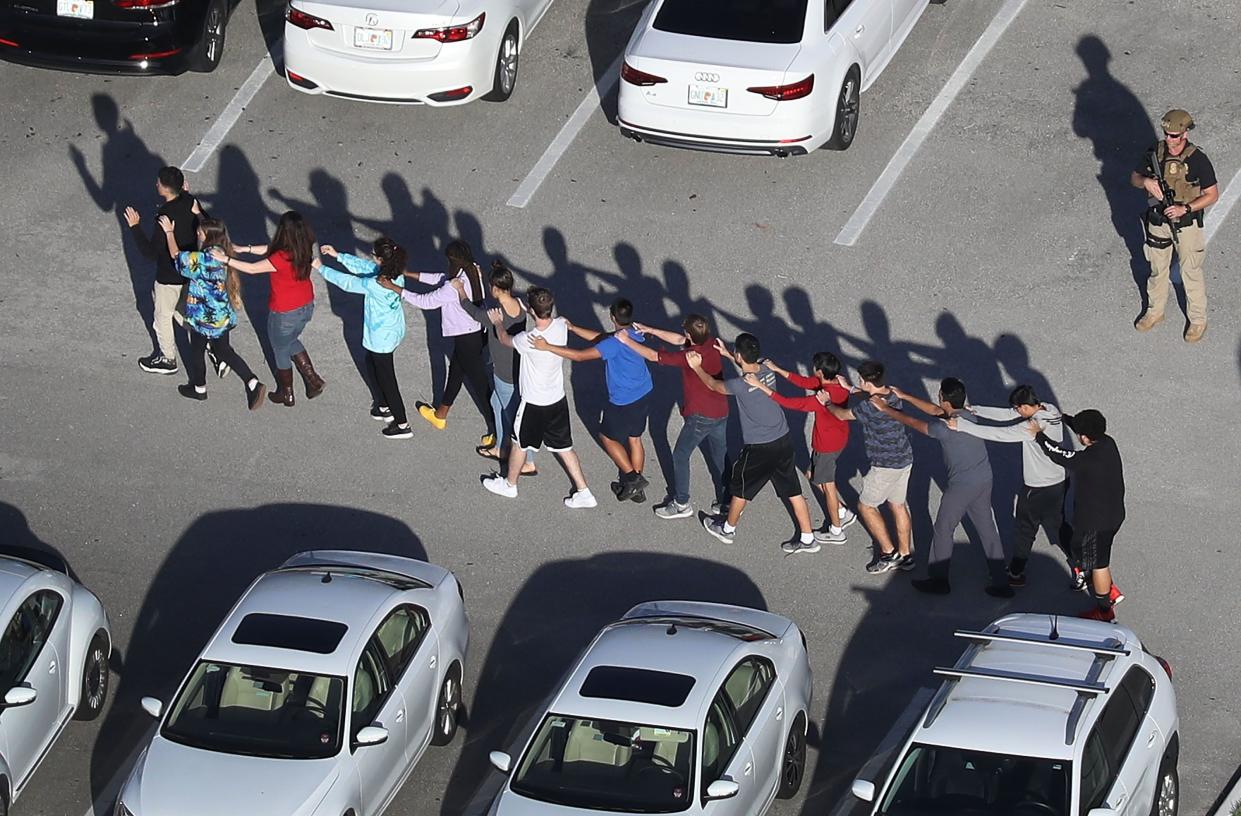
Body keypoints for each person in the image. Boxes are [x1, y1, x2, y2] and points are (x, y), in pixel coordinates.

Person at [870, 380, 1013, 597]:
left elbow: (913, 422)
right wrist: (905, 396)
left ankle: (939, 580)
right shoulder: (966, 416)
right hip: (984, 479)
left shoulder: (943, 428)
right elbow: (936, 411)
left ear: (942, 397)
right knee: (987, 527)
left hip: (962, 486)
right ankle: (1001, 581)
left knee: (944, 528)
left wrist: (885, 408)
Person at [689, 335, 818, 554]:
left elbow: (713, 385)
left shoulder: (739, 385)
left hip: (759, 447)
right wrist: (728, 354)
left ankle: (727, 529)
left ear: (740, 355)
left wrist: (697, 367)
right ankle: (808, 538)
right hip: (783, 439)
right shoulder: (766, 368)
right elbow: (748, 366)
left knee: (740, 489)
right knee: (793, 489)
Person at [946, 385, 1074, 588]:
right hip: (1059, 482)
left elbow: (1000, 434)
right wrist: (976, 409)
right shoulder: (1050, 409)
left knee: (1025, 530)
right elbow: (1008, 414)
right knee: (1059, 525)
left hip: (1037, 488)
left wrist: (962, 426)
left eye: (1018, 409)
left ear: (1025, 407)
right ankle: (1082, 565)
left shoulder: (1032, 426)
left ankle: (1016, 573)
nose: (1016, 412)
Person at [480, 287, 596, 509]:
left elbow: (505, 340)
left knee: (518, 443)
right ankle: (584, 491)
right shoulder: (561, 324)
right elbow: (549, 319)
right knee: (564, 447)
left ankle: (510, 484)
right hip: (557, 400)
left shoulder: (529, 339)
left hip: (533, 403)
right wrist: (531, 309)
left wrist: (497, 322)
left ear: (532, 310)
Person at [532, 298, 654, 503]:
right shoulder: (632, 333)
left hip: (623, 400)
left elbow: (580, 356)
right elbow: (600, 338)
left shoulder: (614, 343)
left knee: (607, 437)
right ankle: (636, 488)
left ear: (612, 317)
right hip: (644, 391)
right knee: (635, 438)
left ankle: (633, 479)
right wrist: (572, 328)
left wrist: (547, 347)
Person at [615, 315, 729, 519]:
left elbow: (652, 356)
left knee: (680, 456)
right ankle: (727, 500)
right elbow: (679, 340)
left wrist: (626, 340)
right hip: (721, 410)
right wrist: (649, 329)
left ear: (690, 335)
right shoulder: (710, 342)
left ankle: (682, 503)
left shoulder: (689, 357)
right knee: (720, 456)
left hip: (701, 415)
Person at [156, 215, 266, 410]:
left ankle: (199, 388)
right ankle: (252, 382)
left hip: (203, 318)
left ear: (207, 234)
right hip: (222, 315)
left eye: (200, 231)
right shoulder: (221, 251)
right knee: (224, 351)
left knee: (197, 351)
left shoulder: (204, 259)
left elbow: (176, 256)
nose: (197, 232)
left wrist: (169, 232)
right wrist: (198, 210)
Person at [215, 211, 325, 407]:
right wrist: (245, 248)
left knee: (280, 348)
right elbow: (270, 249)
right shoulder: (303, 246)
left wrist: (226, 260)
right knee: (290, 340)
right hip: (306, 305)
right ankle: (312, 379)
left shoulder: (281, 257)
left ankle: (286, 392)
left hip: (284, 311)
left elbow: (253, 269)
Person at [1131, 109, 1220, 343]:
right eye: (1167, 134)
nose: (1170, 140)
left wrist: (1186, 208)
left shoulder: (1197, 159)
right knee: (1157, 268)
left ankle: (1198, 320)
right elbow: (1134, 178)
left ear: (1185, 134)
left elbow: (1212, 195)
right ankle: (1154, 311)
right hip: (1158, 220)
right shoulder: (1155, 153)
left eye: (1175, 136)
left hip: (1186, 224)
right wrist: (1147, 182)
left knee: (1190, 271)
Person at [1028, 410, 1126, 621]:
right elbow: (1083, 428)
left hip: (1095, 523)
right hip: (1114, 514)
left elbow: (1058, 454)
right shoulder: (1108, 443)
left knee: (1098, 563)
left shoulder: (1087, 459)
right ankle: (1109, 590)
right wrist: (1062, 417)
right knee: (1099, 553)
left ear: (1084, 436)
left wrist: (1039, 435)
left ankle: (1104, 610)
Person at [402, 241, 496, 446]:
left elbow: (425, 301)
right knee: (456, 372)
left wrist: (397, 289)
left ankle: (497, 430)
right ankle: (441, 414)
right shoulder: (473, 270)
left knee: (481, 387)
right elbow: (442, 279)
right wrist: (410, 274)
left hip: (466, 339)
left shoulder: (452, 288)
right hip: (476, 333)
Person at [827, 361, 915, 574]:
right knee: (898, 505)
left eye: (860, 380)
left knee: (866, 507)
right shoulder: (891, 393)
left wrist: (827, 402)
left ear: (867, 381)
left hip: (884, 466)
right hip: (904, 459)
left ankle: (888, 553)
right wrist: (850, 388)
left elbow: (842, 415)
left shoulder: (869, 407)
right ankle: (905, 555)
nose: (858, 382)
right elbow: (871, 396)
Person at [759, 352, 857, 542]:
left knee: (828, 487)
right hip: (838, 439)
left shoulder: (821, 398)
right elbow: (805, 382)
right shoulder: (838, 383)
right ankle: (841, 511)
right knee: (811, 474)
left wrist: (760, 386)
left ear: (819, 372)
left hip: (826, 446)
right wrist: (777, 369)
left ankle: (837, 530)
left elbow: (789, 403)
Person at [322, 238, 412, 439]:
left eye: (374, 255)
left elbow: (348, 282)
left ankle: (402, 423)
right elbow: (365, 267)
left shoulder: (376, 283)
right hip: (392, 331)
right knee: (370, 363)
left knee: (389, 381)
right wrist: (338, 256)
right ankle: (382, 404)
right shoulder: (394, 274)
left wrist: (320, 267)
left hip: (381, 339)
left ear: (381, 259)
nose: (372, 258)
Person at [451, 262, 536, 475]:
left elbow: (470, 309)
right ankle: (500, 447)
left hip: (505, 373)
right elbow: (489, 306)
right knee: (496, 403)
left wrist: (460, 289)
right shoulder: (519, 304)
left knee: (514, 416)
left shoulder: (494, 315)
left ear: (495, 288)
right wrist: (479, 279)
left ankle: (528, 461)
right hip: (518, 368)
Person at [123, 166, 203, 375]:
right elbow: (205, 222)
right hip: (191, 270)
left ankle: (167, 359)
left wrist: (135, 226)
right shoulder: (190, 201)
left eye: (158, 182)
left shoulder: (165, 216)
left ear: (166, 189)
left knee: (163, 316)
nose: (156, 184)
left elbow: (150, 252)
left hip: (169, 275)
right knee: (183, 311)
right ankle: (212, 344)